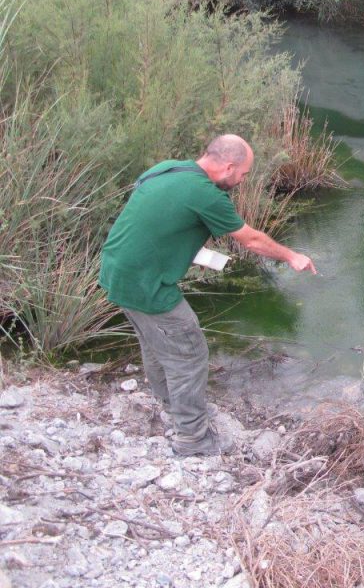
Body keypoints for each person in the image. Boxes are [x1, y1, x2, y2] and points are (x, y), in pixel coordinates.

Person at [99, 134, 317, 456]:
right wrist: (291, 257)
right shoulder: (207, 195)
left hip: (116, 274)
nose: (242, 181)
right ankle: (192, 438)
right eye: (243, 174)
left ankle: (173, 408)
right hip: (147, 287)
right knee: (189, 355)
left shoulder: (167, 170)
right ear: (228, 167)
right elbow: (252, 241)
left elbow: (154, 217)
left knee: (158, 347)